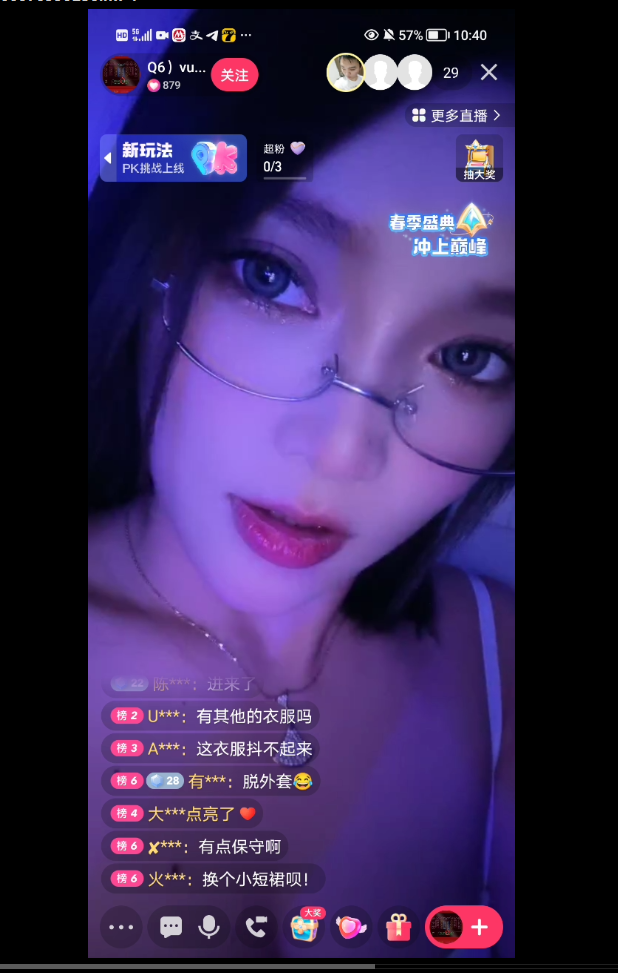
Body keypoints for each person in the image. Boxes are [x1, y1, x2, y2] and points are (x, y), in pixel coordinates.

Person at [89, 17, 514, 960]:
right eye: (271, 276)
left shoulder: (498, 659)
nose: (341, 451)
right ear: (156, 258)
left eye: (470, 357)